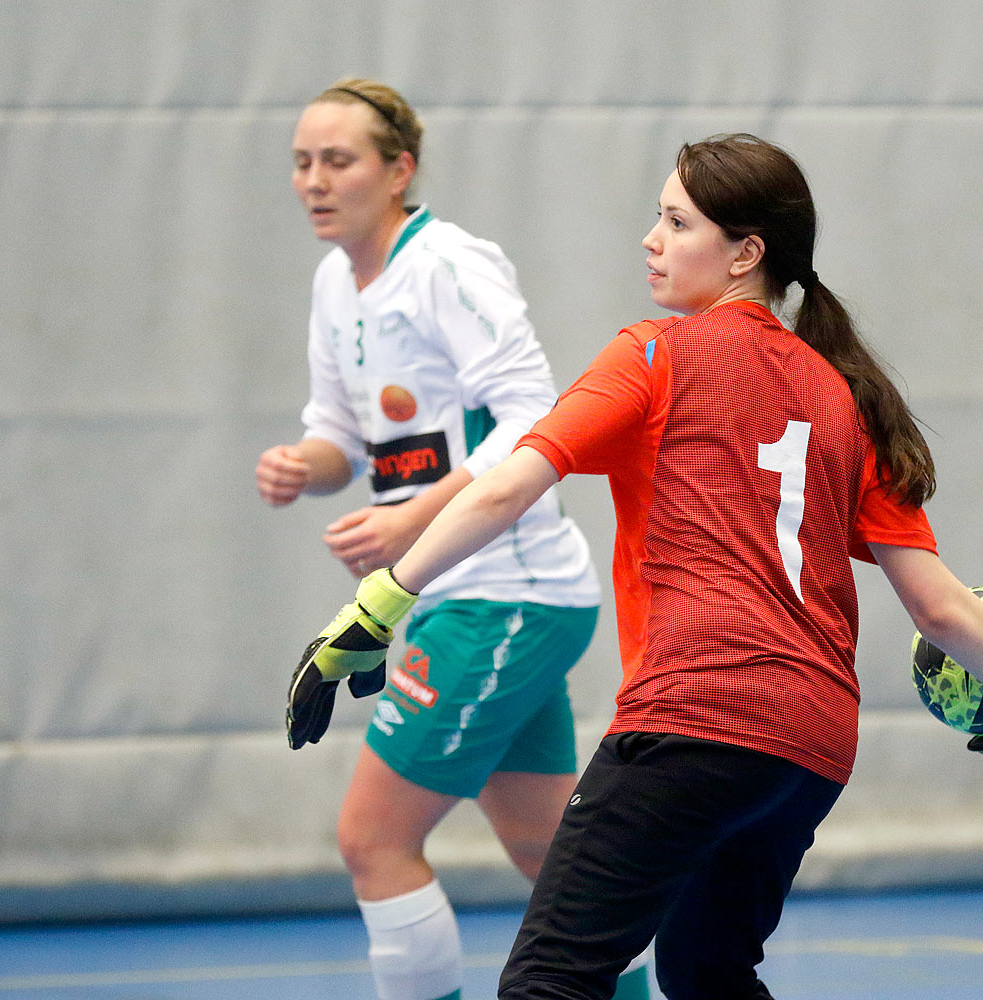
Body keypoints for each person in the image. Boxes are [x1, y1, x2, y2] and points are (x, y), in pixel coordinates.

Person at [296, 132, 983, 1000]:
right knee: (708, 973)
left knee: (549, 981)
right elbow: (939, 608)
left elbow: (504, 488)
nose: (651, 238)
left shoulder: (654, 353)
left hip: (694, 718)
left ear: (747, 253)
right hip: (811, 746)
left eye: (676, 221)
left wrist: (377, 603)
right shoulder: (846, 395)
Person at [260, 78, 653, 1000]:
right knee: (548, 854)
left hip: (502, 596)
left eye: (339, 160)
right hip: (464, 596)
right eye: (302, 162)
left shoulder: (448, 266)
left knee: (374, 841)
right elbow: (340, 435)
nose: (315, 180)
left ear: (398, 169)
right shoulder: (335, 281)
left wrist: (414, 515)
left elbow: (534, 416)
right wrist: (302, 466)